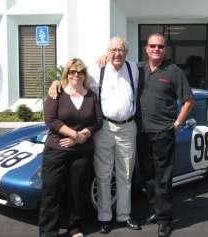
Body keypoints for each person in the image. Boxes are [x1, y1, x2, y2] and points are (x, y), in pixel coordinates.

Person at [48, 37, 141, 234]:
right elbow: (74, 84)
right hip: (104, 127)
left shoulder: (134, 68)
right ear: (107, 52)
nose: (117, 53)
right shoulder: (97, 70)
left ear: (127, 52)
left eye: (121, 50)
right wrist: (56, 82)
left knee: (125, 174)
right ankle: (105, 218)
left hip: (127, 127)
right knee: (103, 174)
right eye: (113, 50)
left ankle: (124, 216)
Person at [137, 33, 194, 237]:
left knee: (163, 178)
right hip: (141, 132)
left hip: (163, 132)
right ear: (146, 48)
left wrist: (177, 123)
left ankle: (165, 220)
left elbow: (188, 100)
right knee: (148, 176)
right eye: (152, 45)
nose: (156, 49)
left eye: (160, 46)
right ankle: (156, 210)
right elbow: (113, 73)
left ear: (165, 50)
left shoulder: (173, 71)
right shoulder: (138, 69)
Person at [39, 58, 102, 237]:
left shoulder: (90, 95)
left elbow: (97, 121)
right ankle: (48, 232)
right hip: (56, 150)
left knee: (77, 191)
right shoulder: (57, 93)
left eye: (80, 72)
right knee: (51, 191)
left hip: (81, 151)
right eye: (72, 72)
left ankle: (74, 227)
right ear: (67, 74)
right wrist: (74, 134)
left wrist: (83, 136)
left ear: (84, 75)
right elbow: (50, 120)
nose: (76, 75)